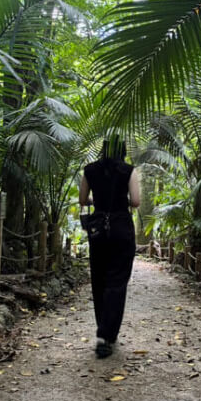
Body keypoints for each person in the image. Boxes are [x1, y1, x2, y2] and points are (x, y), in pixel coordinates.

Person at [79, 135, 140, 358]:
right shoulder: (129, 171)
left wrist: (99, 201)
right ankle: (107, 334)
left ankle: (103, 331)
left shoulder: (90, 170)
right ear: (122, 150)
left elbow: (82, 199)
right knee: (117, 281)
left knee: (99, 279)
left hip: (98, 230)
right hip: (121, 228)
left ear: (104, 150)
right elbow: (135, 201)